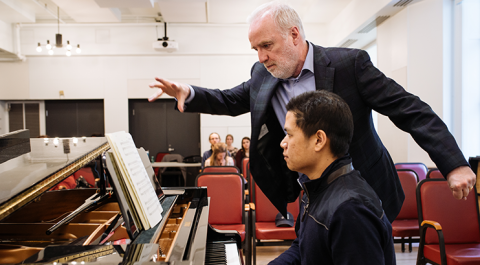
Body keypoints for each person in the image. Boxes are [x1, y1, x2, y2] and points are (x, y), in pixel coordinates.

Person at [149, 2, 476, 222]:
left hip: (365, 189)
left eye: (267, 45)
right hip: (309, 194)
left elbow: (410, 110)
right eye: (256, 49)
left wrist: (455, 163)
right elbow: (230, 99)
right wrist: (188, 94)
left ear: (294, 35)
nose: (261, 57)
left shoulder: (350, 64)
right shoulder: (263, 74)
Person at [270, 90, 395, 265]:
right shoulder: (316, 185)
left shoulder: (350, 210)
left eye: (290, 134)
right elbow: (303, 247)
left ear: (319, 140)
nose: (283, 143)